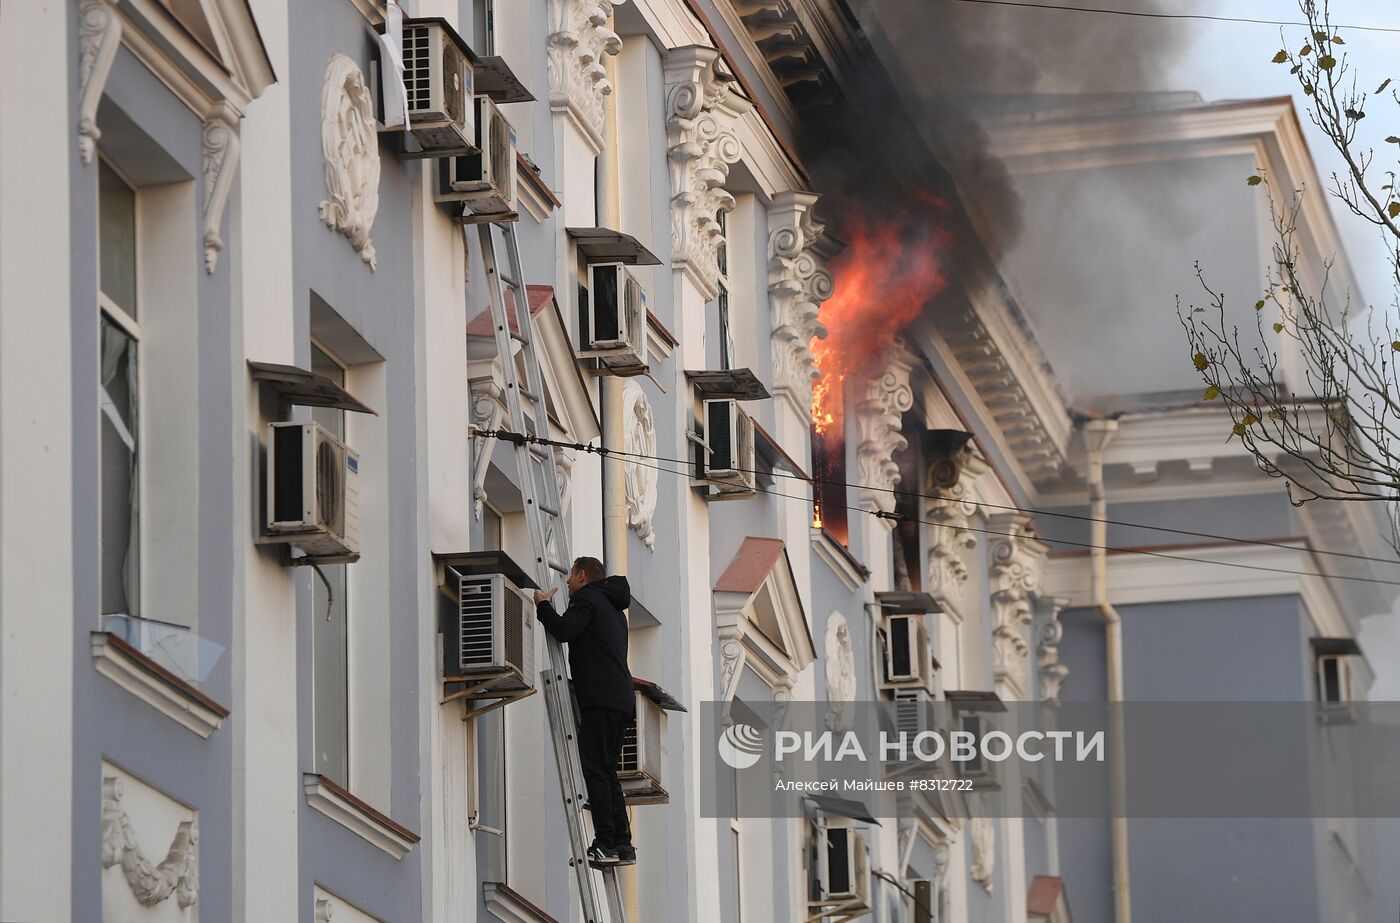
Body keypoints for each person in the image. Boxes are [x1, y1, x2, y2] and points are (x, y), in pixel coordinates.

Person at [533, 556, 636, 868]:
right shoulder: (614, 609)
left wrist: (543, 606)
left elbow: (565, 630)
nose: (566, 583)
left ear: (581, 575)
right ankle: (623, 844)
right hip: (620, 699)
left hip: (601, 699)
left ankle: (605, 842)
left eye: (570, 577)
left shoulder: (588, 598)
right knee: (607, 771)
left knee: (596, 771)